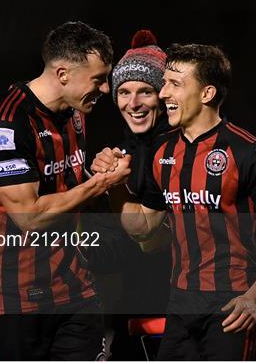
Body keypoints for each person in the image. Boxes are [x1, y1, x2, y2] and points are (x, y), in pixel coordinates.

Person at [93, 43, 256, 360]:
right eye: (165, 85)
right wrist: (114, 185)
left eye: (175, 85)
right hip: (180, 307)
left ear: (206, 94)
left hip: (232, 307)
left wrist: (254, 298)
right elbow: (144, 228)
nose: (163, 95)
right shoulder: (163, 154)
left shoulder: (249, 153)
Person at [0, 21, 130, 360]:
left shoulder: (75, 114)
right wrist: (98, 184)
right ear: (62, 74)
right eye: (98, 79)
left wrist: (97, 169)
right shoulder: (6, 128)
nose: (105, 90)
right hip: (15, 298)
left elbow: (66, 183)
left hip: (75, 289)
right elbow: (31, 216)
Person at [88, 29, 174, 360]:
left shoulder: (176, 150)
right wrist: (92, 187)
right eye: (124, 92)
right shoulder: (125, 150)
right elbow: (108, 248)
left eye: (145, 91)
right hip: (134, 309)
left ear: (164, 96)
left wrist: (111, 186)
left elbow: (149, 240)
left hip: (175, 311)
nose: (133, 103)